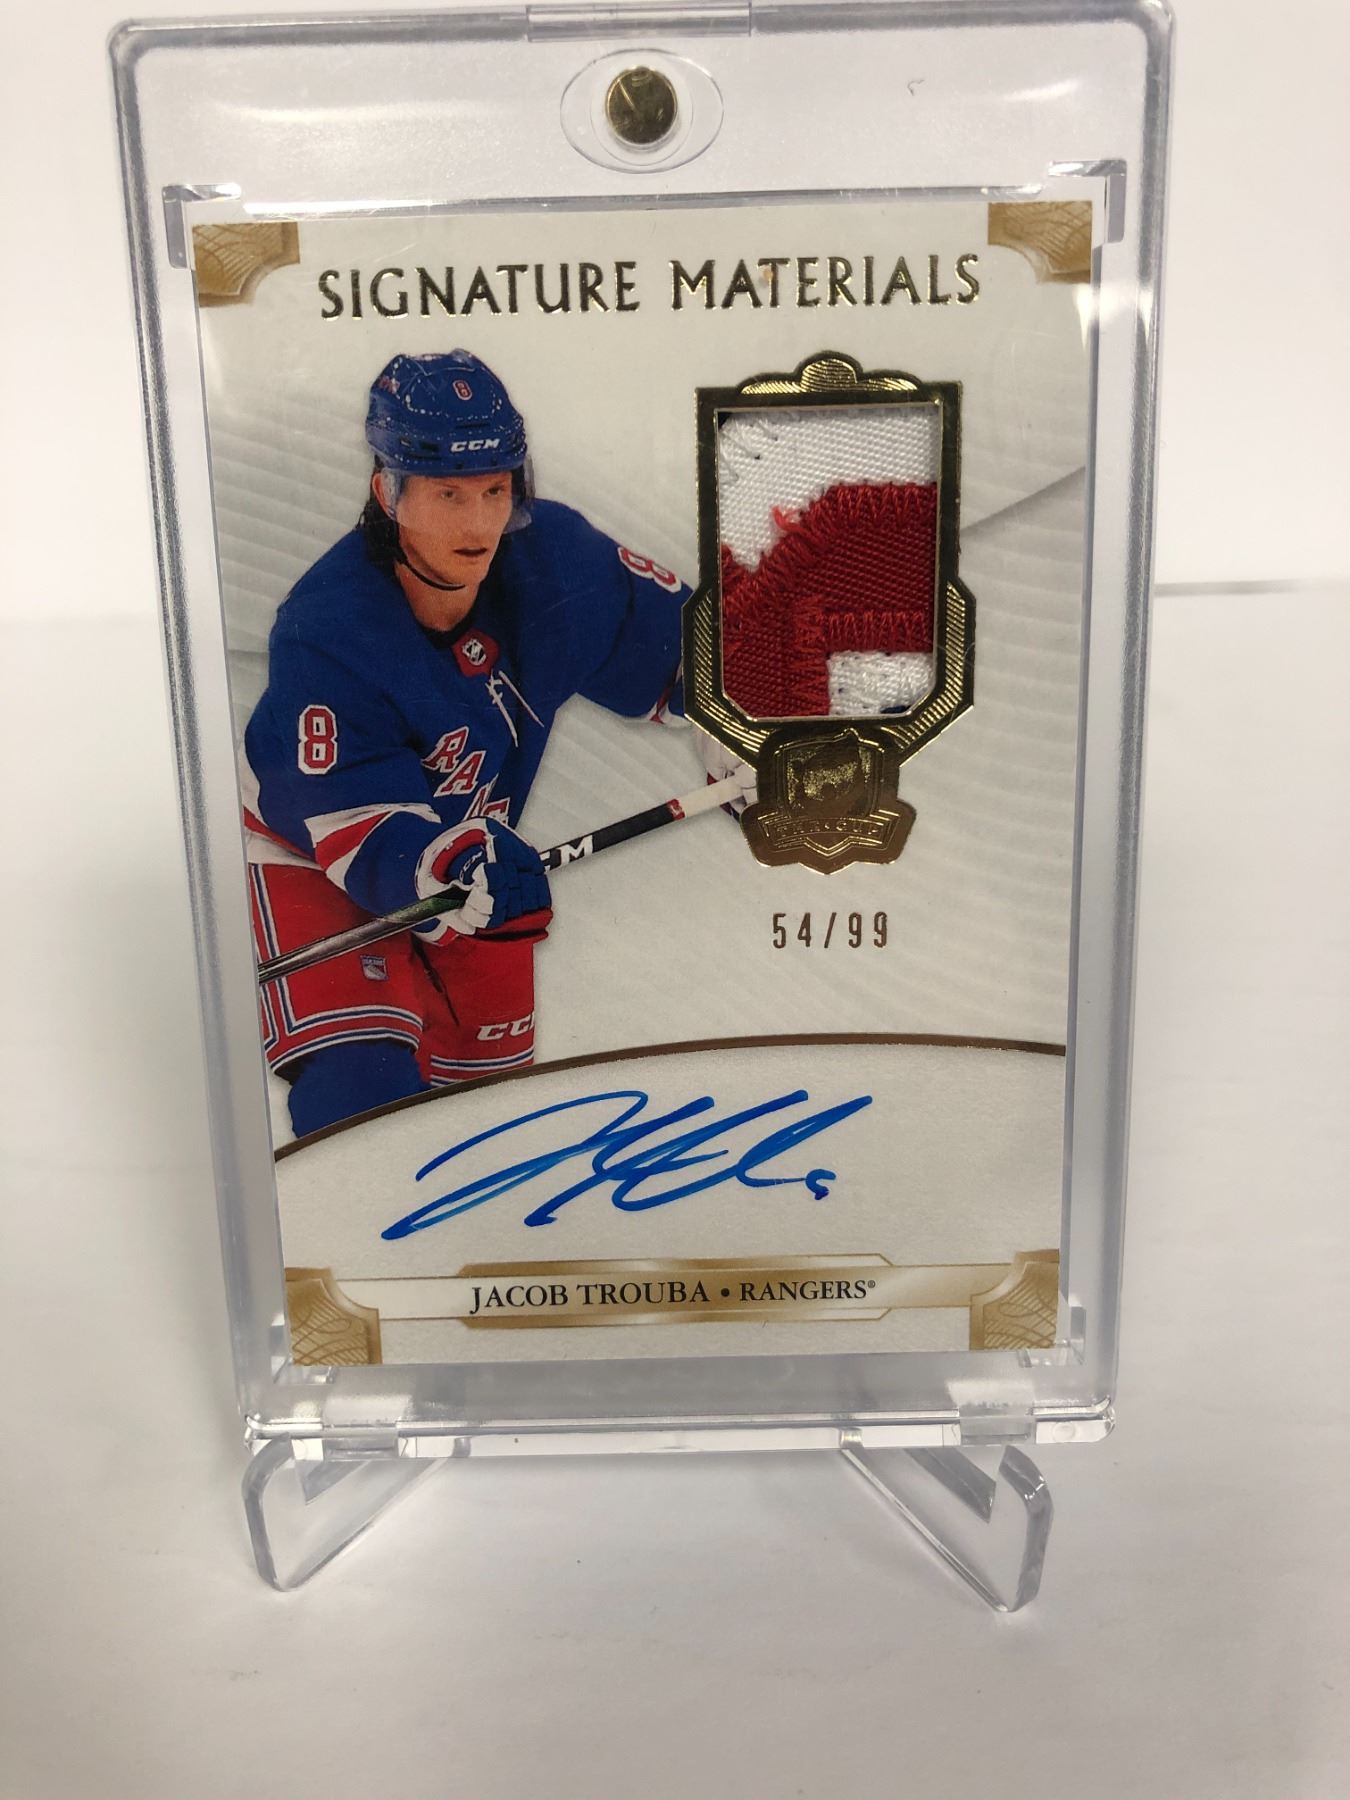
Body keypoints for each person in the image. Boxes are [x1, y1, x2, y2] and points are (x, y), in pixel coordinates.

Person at [242, 349, 695, 1137]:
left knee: (483, 1133)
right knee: (366, 1100)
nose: (480, 523)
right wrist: (449, 864)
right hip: (314, 856)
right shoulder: (328, 628)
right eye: (448, 494)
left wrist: (752, 725)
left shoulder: (557, 560)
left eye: (495, 491)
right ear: (388, 492)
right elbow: (358, 831)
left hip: (479, 870)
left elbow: (697, 657)